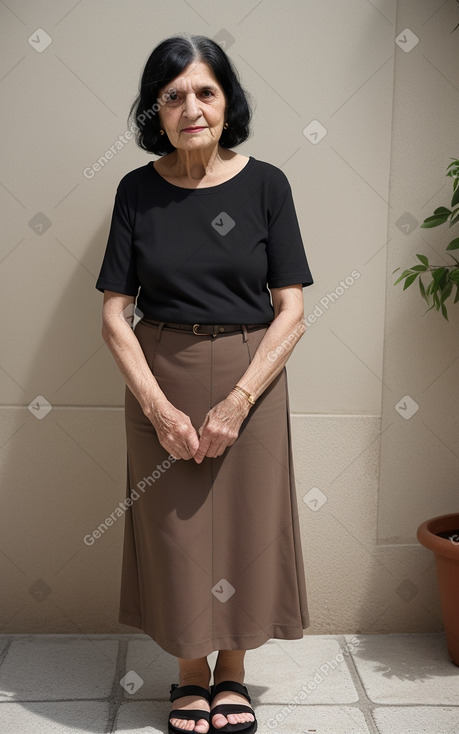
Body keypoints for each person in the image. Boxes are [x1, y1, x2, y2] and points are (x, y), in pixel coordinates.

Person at [96, 33, 313, 734]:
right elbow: (112, 314)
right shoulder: (137, 192)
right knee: (178, 535)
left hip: (252, 379)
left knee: (247, 528)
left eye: (205, 91)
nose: (190, 107)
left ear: (228, 102)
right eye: (173, 95)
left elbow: (292, 310)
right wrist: (157, 407)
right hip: (161, 377)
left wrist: (239, 398)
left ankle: (233, 675)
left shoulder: (266, 185)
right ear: (154, 111)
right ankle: (189, 674)